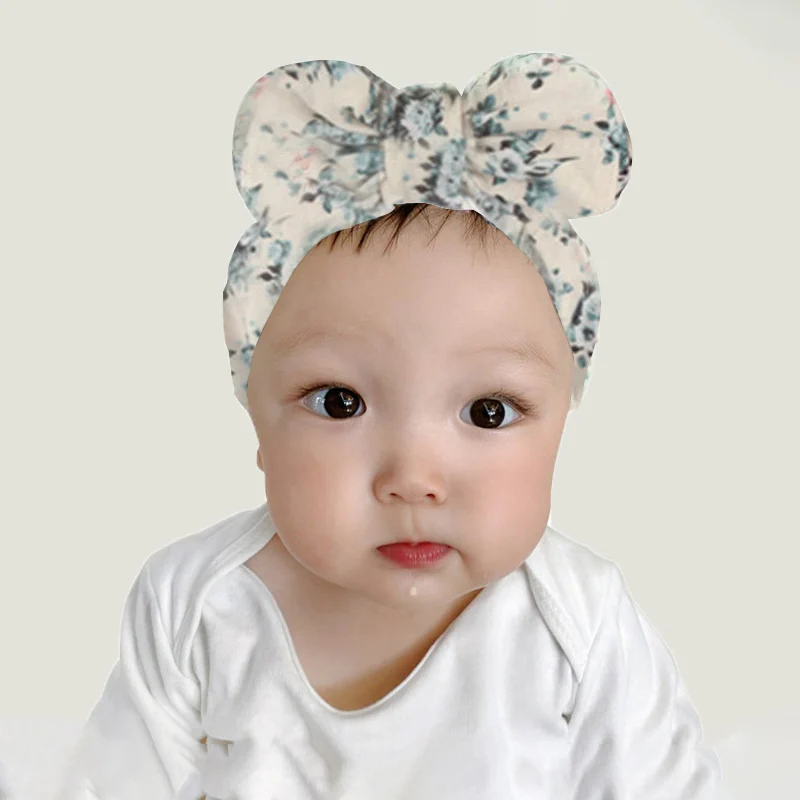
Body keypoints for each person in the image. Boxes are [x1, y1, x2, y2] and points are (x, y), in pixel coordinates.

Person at [56, 53, 727, 799]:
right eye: (340, 403)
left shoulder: (579, 621)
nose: (413, 477)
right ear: (255, 406)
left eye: (489, 412)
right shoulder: (196, 606)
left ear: (561, 425)